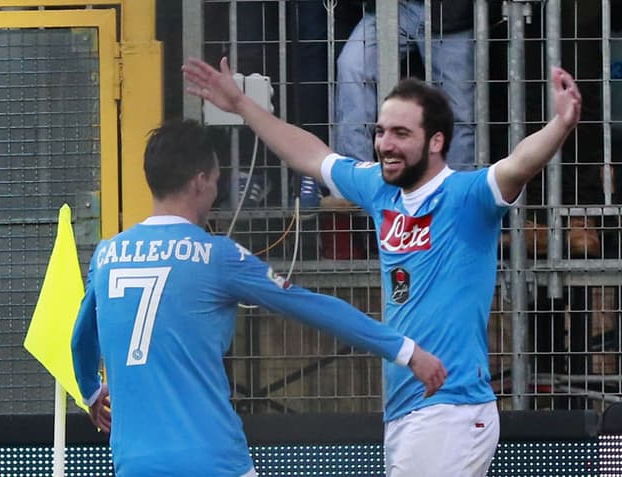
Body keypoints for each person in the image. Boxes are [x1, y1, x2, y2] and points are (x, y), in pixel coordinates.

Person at [182, 56, 582, 476]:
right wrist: (242, 105)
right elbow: (311, 155)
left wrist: (561, 124)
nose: (385, 143)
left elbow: (519, 164)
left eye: (401, 133)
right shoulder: (379, 188)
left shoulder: (467, 197)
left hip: (451, 407)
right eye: (381, 131)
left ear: (436, 142)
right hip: (406, 408)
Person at [70, 118, 446, 477]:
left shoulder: (107, 255)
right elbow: (310, 306)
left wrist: (90, 390)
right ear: (201, 181)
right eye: (217, 179)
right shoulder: (218, 256)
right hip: (213, 461)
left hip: (135, 463)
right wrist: (404, 350)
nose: (217, 189)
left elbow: (81, 338)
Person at [334, 0, 476, 171]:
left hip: (449, 12)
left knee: (459, 108)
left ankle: (456, 189)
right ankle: (357, 179)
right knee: (353, 67)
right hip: (391, 7)